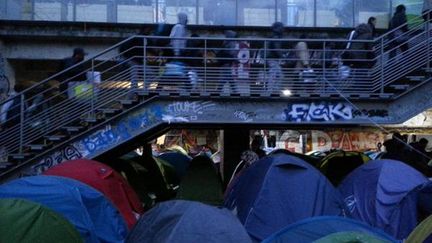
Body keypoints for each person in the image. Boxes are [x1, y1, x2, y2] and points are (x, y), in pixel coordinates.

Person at [266, 22, 285, 94]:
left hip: (272, 59)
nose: (283, 29)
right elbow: (277, 48)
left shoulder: (273, 36)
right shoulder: (276, 37)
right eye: (281, 27)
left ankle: (274, 90)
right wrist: (282, 56)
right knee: (274, 74)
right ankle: (270, 91)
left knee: (278, 75)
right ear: (276, 28)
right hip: (272, 59)